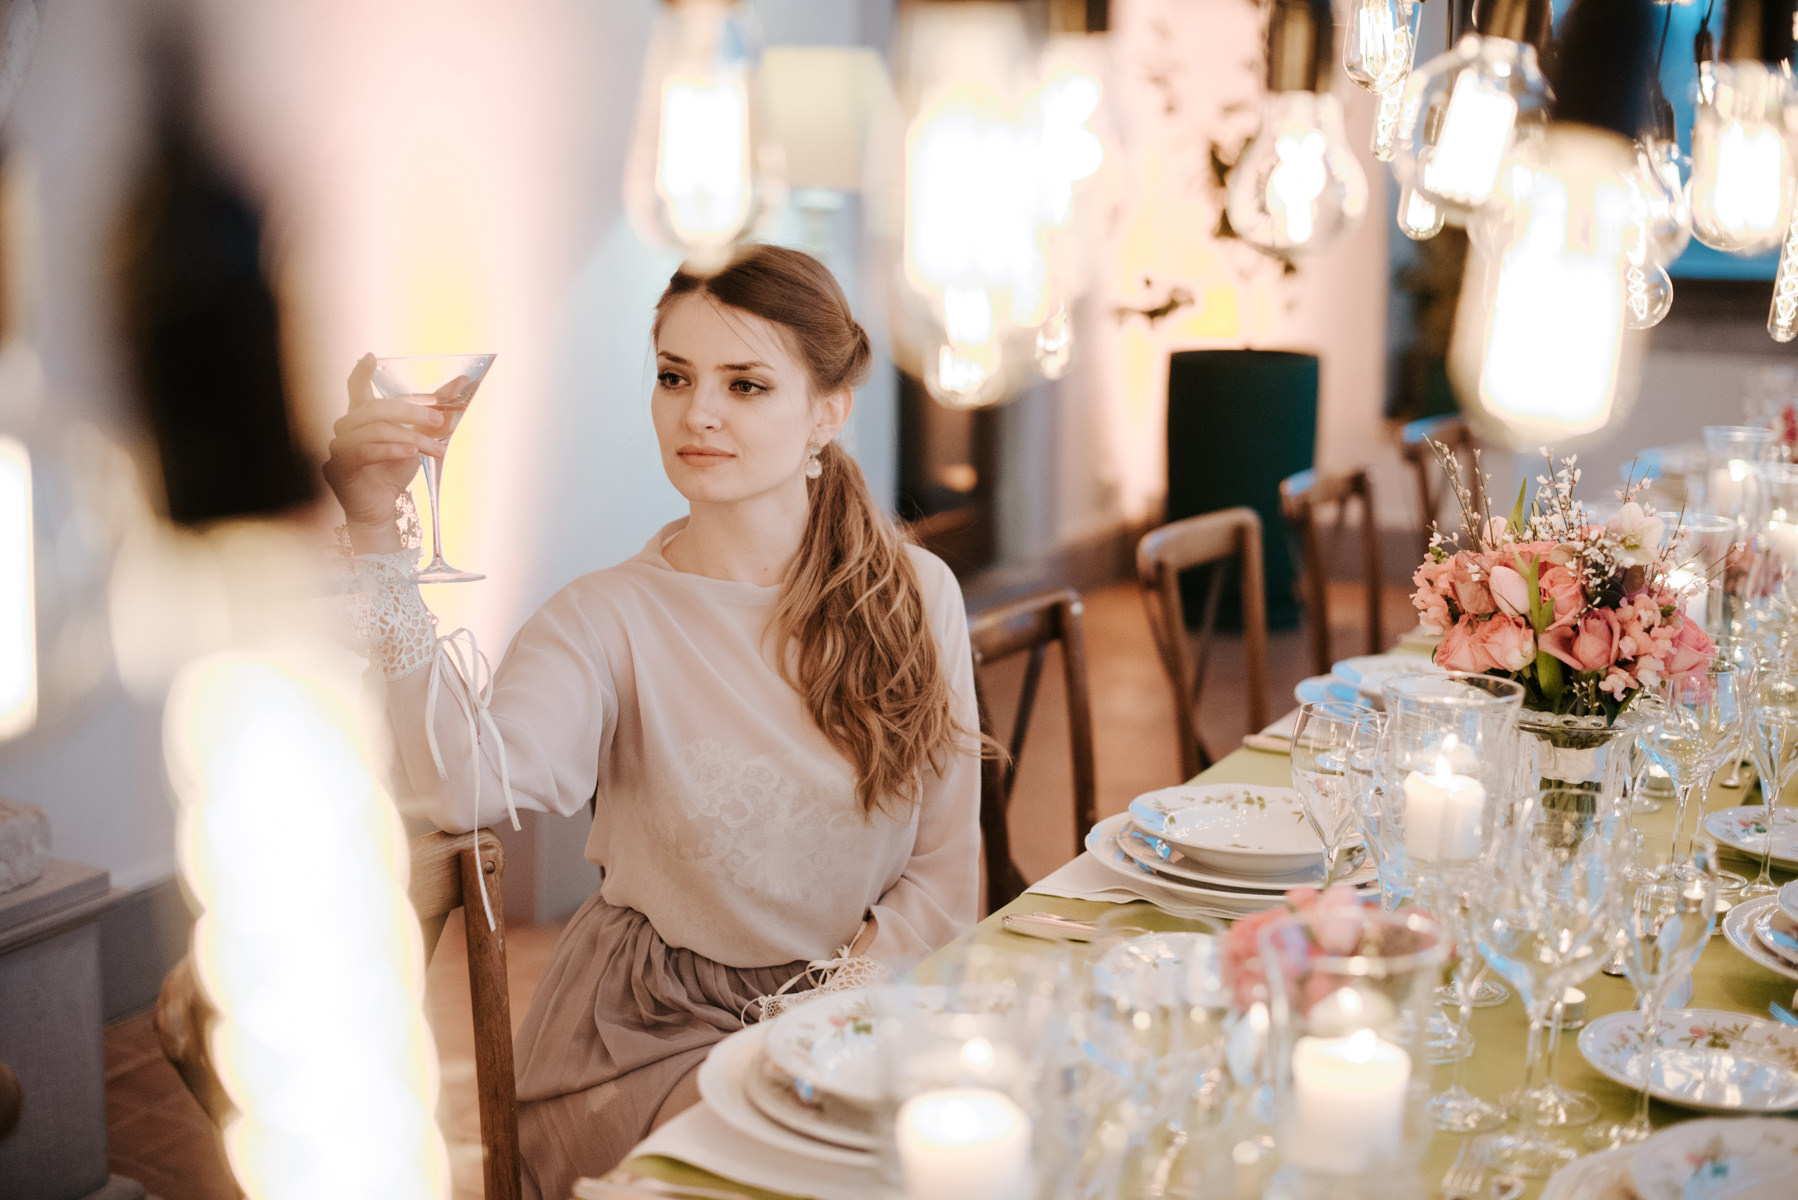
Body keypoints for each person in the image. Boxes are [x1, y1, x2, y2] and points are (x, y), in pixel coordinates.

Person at [324, 244, 982, 1197]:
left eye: (745, 385)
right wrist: (377, 535)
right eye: (675, 377)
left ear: (828, 412)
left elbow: (942, 872)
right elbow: (460, 783)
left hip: (859, 1007)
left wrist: (831, 1025)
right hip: (643, 1039)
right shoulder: (602, 618)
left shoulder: (918, 593)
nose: (697, 412)